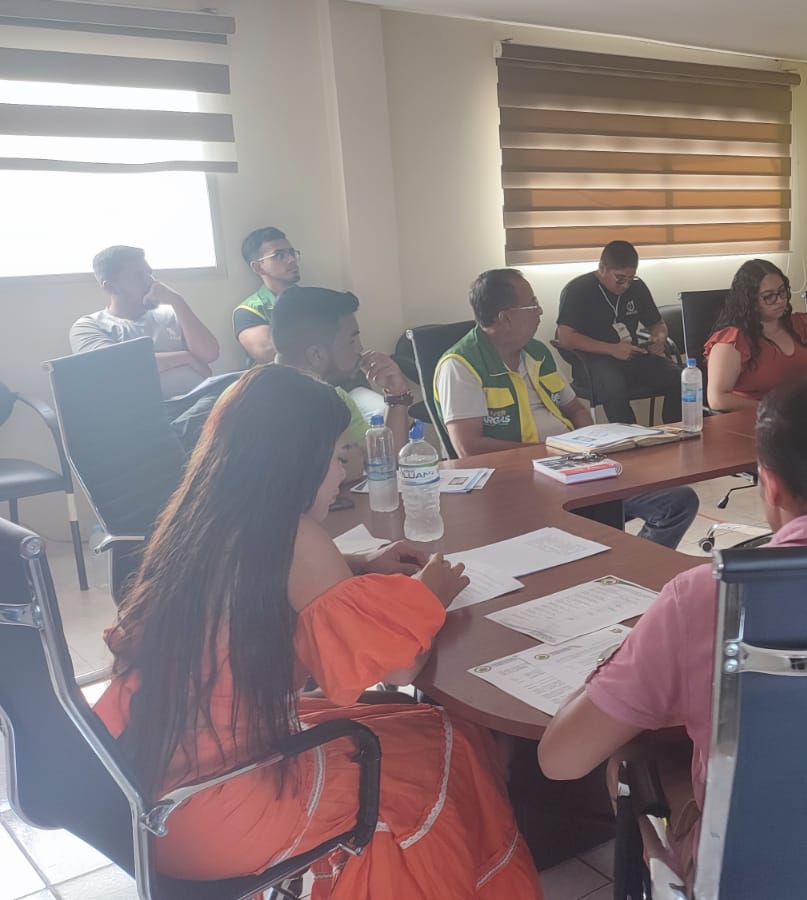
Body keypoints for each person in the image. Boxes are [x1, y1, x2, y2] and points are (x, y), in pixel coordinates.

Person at [92, 365, 543, 898]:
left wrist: (354, 565)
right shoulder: (291, 533)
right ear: (298, 463)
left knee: (435, 728)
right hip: (219, 803)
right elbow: (398, 667)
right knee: (431, 760)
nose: (342, 474)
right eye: (336, 457)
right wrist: (432, 594)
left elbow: (259, 585)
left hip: (151, 788)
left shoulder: (205, 516)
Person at [538, 374, 807, 882]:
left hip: (760, 876)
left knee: (632, 757)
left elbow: (561, 759)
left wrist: (626, 659)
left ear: (768, 483)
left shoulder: (704, 597)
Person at [436, 269, 698, 549]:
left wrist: (591, 449)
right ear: (505, 317)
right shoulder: (461, 365)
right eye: (532, 304)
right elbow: (468, 448)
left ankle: (637, 564)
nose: (540, 311)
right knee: (596, 521)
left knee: (676, 501)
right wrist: (550, 452)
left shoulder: (536, 352)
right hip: (520, 480)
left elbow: (575, 409)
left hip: (573, 465)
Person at [270, 286, 413, 480]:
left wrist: (395, 395)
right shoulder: (260, 406)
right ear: (316, 354)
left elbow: (385, 461)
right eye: (351, 341)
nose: (360, 348)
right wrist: (341, 468)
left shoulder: (336, 399)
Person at [555, 240, 682, 425]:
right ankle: (631, 437)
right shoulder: (579, 290)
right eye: (620, 278)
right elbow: (565, 337)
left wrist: (659, 337)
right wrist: (611, 349)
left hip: (631, 356)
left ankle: (675, 429)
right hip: (593, 361)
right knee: (614, 386)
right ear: (602, 268)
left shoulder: (637, 287)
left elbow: (657, 324)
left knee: (679, 377)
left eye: (630, 278)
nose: (625, 285)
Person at [71, 245, 221, 400]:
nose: (152, 282)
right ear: (111, 287)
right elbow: (116, 363)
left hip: (202, 400)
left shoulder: (172, 313)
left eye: (150, 274)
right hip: (147, 410)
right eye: (139, 276)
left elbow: (209, 354)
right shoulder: (88, 326)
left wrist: (178, 301)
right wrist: (186, 357)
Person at [704, 259, 807, 411]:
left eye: (782, 292)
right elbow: (717, 399)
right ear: (750, 301)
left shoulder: (805, 326)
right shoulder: (733, 341)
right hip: (757, 418)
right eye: (769, 296)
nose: (780, 300)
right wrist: (774, 409)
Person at [234, 226, 301, 365]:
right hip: (282, 378)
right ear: (257, 267)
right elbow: (271, 353)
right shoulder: (248, 311)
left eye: (291, 253)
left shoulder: (314, 299)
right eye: (279, 255)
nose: (291, 260)